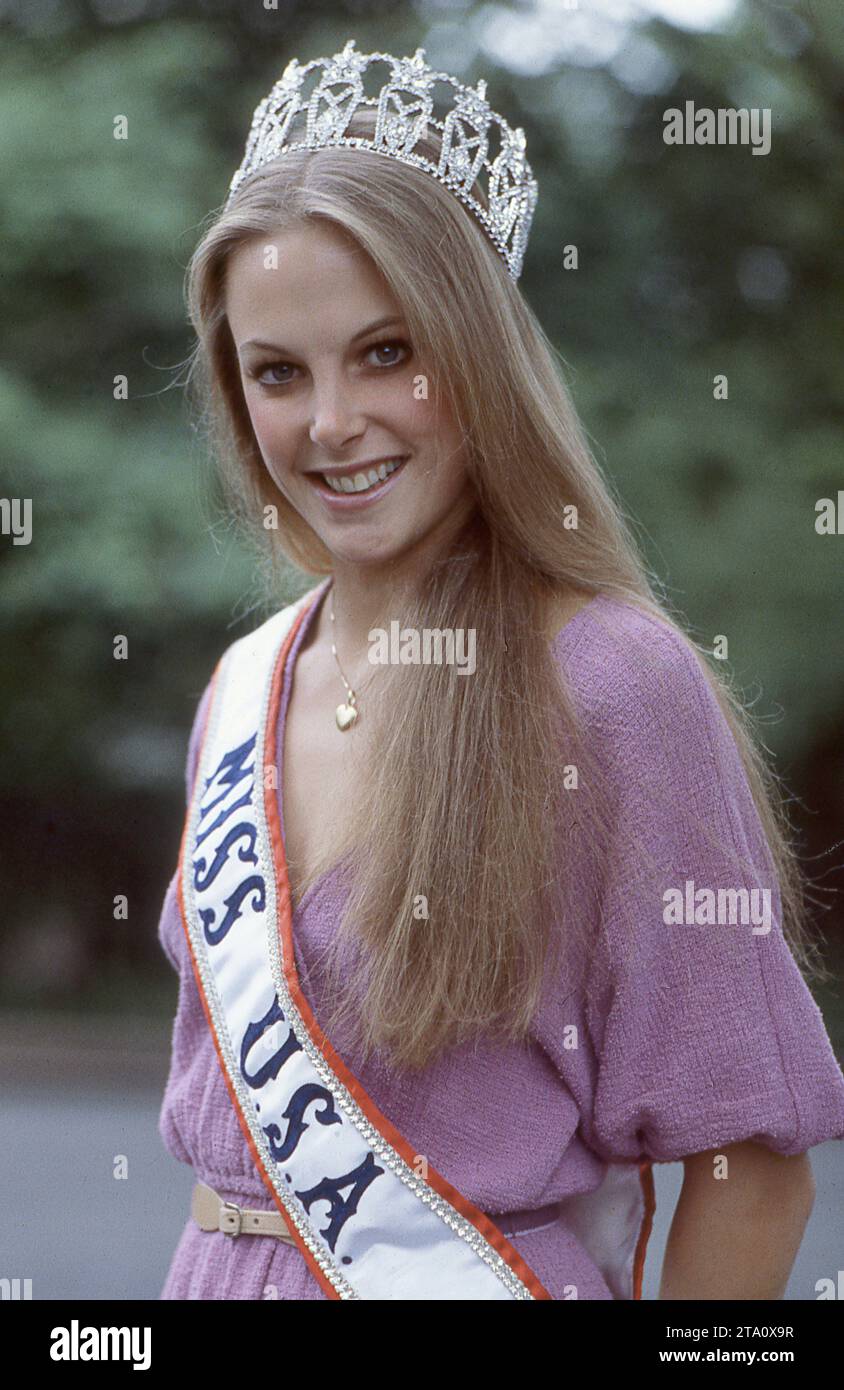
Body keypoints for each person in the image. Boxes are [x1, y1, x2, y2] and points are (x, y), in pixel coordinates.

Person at [156, 39, 844, 1300]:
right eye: (276, 372)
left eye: (385, 352)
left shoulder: (615, 686)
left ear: (479, 355)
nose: (330, 423)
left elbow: (753, 1172)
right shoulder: (241, 686)